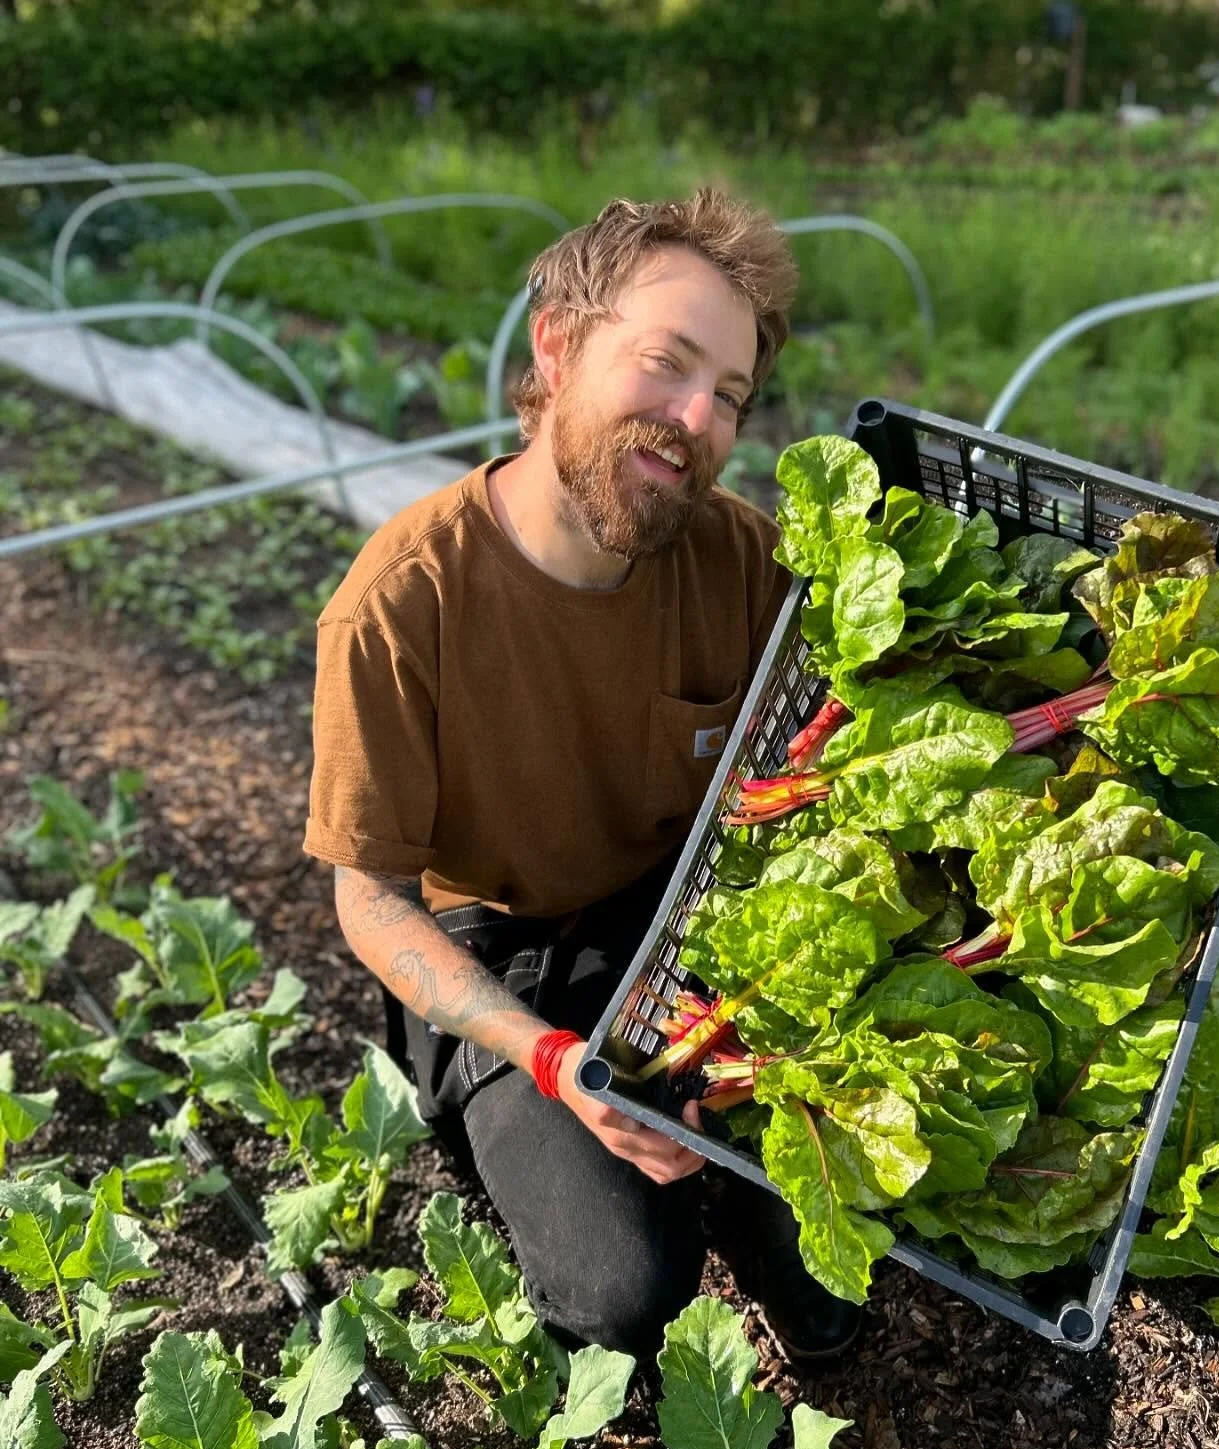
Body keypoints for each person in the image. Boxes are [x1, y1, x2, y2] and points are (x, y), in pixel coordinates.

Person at [303, 189, 862, 1365]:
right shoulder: (404, 601)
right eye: (666, 364)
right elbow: (373, 898)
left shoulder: (747, 559)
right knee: (623, 1292)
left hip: (678, 919)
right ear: (556, 345)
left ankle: (733, 1196)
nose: (696, 417)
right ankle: (498, 1116)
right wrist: (552, 1060)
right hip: (496, 949)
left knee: (834, 1231)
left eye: (731, 397)